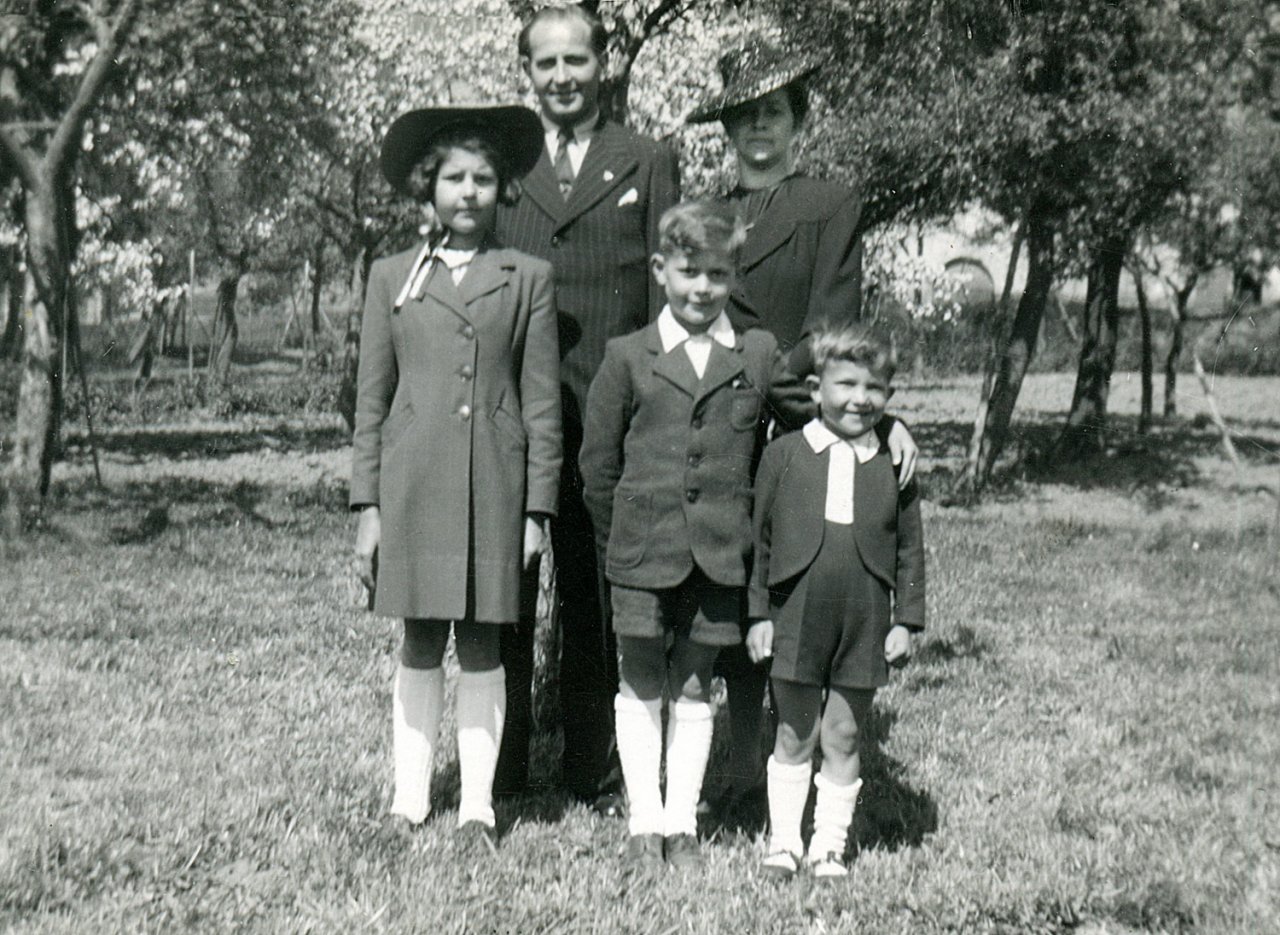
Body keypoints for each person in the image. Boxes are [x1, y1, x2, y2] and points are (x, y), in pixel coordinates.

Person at [686, 37, 919, 816]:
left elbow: (831, 320)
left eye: (774, 111)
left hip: (795, 422)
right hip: (722, 421)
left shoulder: (827, 204)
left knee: (788, 581)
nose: (760, 126)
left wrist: (779, 382)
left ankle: (781, 762)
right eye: (745, 114)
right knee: (729, 586)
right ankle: (735, 765)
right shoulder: (709, 213)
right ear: (727, 128)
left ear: (798, 120)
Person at [350, 104, 562, 846]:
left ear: (503, 190)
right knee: (418, 638)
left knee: (481, 643)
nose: (468, 191)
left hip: (492, 487)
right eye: (453, 178)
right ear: (428, 186)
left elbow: (542, 403)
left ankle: (477, 805)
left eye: (483, 178)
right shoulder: (393, 276)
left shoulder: (527, 277)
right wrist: (368, 505)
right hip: (413, 483)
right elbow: (371, 397)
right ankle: (409, 798)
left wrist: (537, 509)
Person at [579, 200, 807, 869]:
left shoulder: (756, 353)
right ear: (660, 270)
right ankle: (643, 820)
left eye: (718, 273)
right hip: (640, 552)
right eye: (689, 272)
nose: (703, 288)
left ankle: (681, 821)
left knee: (694, 682)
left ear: (734, 277)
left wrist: (887, 428)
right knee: (641, 676)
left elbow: (814, 414)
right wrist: (619, 543)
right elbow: (598, 466)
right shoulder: (628, 356)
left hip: (720, 555)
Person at [494, 3, 680, 815]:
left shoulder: (646, 159)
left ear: (602, 65)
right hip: (517, 417)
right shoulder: (503, 168)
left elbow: (666, 295)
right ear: (527, 73)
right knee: (507, 591)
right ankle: (501, 764)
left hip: (611, 419)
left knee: (595, 593)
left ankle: (588, 765)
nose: (563, 77)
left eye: (576, 60)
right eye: (547, 63)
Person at [746, 324, 926, 880]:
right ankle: (784, 843)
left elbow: (910, 549)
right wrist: (759, 614)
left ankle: (828, 846)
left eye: (874, 388)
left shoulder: (893, 463)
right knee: (795, 731)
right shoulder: (784, 455)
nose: (860, 398)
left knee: (843, 734)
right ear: (815, 388)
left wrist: (907, 621)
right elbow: (760, 542)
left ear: (889, 395)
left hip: (865, 617)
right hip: (796, 612)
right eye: (846, 384)